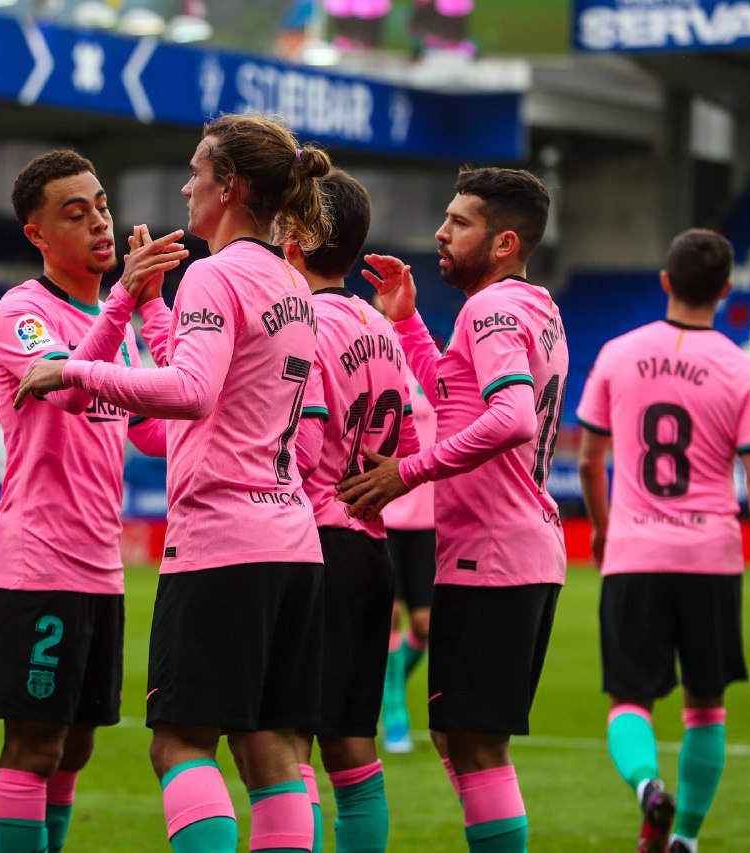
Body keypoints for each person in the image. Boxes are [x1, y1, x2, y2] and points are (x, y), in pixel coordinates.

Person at [17, 113, 333, 853]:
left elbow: (190, 391)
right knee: (270, 749)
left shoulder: (215, 274)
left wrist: (75, 370)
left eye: (197, 172)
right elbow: (210, 396)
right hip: (293, 542)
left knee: (181, 743)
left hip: (224, 543)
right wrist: (153, 305)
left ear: (230, 188)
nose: (187, 186)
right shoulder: (291, 281)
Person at [337, 166, 568, 853]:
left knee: (475, 745)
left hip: (493, 554)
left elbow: (511, 418)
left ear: (503, 243)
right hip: (518, 547)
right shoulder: (536, 306)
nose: (440, 232)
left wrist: (408, 471)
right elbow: (456, 396)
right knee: (458, 737)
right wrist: (407, 322)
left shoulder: (489, 310)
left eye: (459, 222)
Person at [0, 149, 184, 853]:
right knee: (36, 744)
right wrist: (125, 298)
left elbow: (155, 432)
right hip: (37, 563)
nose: (100, 223)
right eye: (77, 214)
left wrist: (154, 313)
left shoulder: (113, 323)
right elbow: (66, 388)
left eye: (101, 206)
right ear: (37, 234)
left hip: (100, 568)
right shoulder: (22, 312)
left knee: (76, 748)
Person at [576, 228, 750, 853]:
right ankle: (687, 840)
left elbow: (590, 458)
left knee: (629, 701)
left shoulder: (618, 354)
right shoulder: (742, 370)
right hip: (710, 557)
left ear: (666, 281)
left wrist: (603, 528)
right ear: (725, 291)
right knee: (705, 707)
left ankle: (648, 787)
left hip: (635, 554)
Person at [287, 168, 419, 852]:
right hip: (371, 549)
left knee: (287, 746)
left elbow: (301, 445)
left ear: (295, 240)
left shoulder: (300, 323)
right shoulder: (382, 327)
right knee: (354, 753)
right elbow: (412, 448)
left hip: (313, 543)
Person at [380, 353, 438, 755]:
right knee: (391, 616)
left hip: (427, 516)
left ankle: (386, 687)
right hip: (386, 511)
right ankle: (395, 715)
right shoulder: (380, 365)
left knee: (424, 626)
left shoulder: (432, 369)